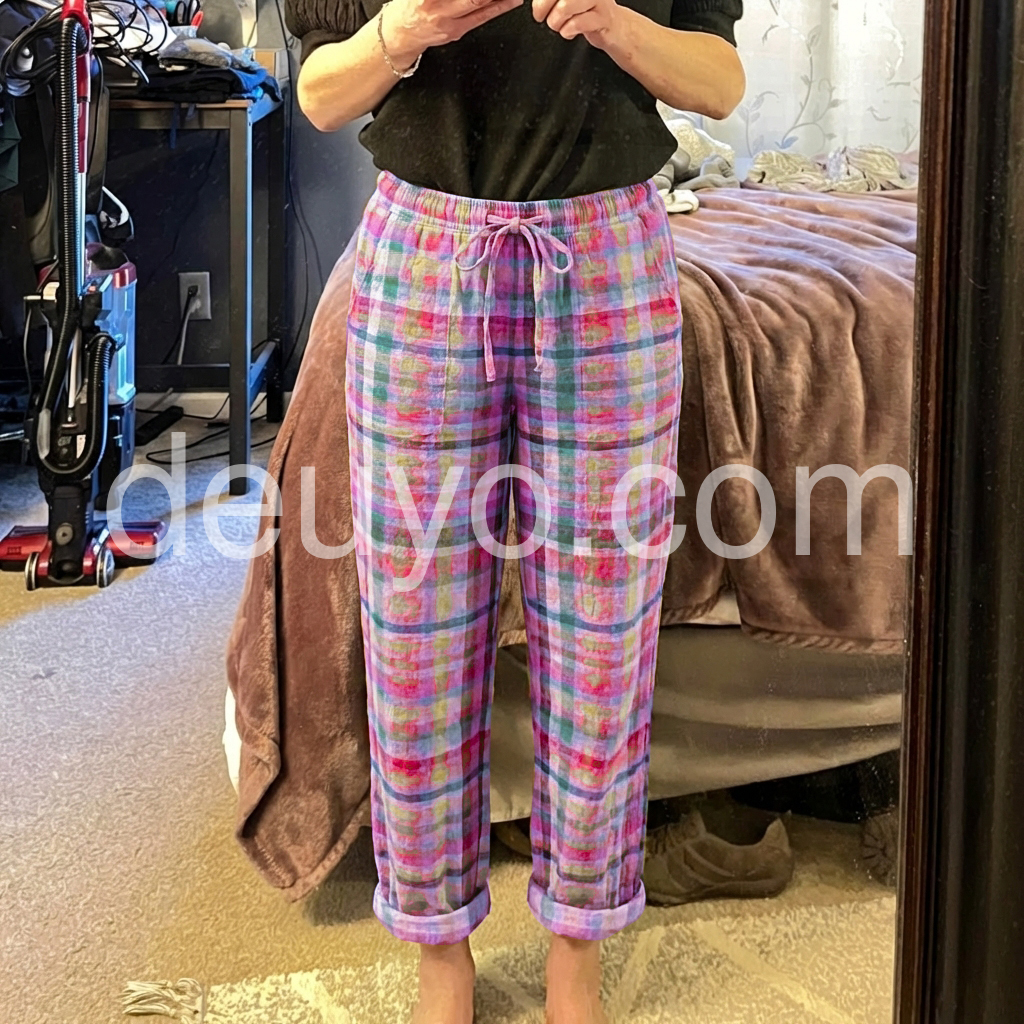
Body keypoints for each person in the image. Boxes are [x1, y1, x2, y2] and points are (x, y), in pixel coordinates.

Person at [291, 0, 744, 1020]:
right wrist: (406, 28)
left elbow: (719, 83)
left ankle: (577, 950)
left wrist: (612, 22)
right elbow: (319, 93)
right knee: (414, 626)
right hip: (423, 255)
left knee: (603, 631)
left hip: (607, 260)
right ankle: (439, 951)